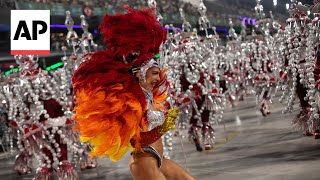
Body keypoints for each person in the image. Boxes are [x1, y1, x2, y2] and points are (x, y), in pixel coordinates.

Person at [72, 6, 194, 180]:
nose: (157, 78)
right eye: (153, 73)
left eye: (157, 73)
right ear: (139, 74)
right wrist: (166, 125)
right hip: (143, 162)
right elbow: (136, 140)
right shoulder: (129, 101)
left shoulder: (148, 96)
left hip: (158, 158)